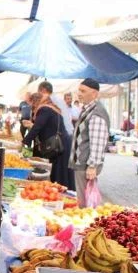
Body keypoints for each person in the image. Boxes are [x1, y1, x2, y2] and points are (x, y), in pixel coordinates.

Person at [69, 78, 110, 207]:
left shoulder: (96, 112)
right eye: (79, 90)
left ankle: (87, 224)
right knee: (84, 200)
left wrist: (92, 166)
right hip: (81, 163)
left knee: (85, 203)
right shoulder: (87, 109)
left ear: (94, 94)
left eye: (83, 91)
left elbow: (97, 141)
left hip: (85, 165)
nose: (79, 94)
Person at [23, 94, 74, 189]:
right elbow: (45, 126)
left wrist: (24, 142)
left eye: (32, 105)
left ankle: (63, 196)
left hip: (59, 146)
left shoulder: (44, 109)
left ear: (36, 102)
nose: (32, 108)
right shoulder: (51, 108)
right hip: (61, 144)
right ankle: (63, 194)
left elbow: (37, 127)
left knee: (60, 173)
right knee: (61, 172)